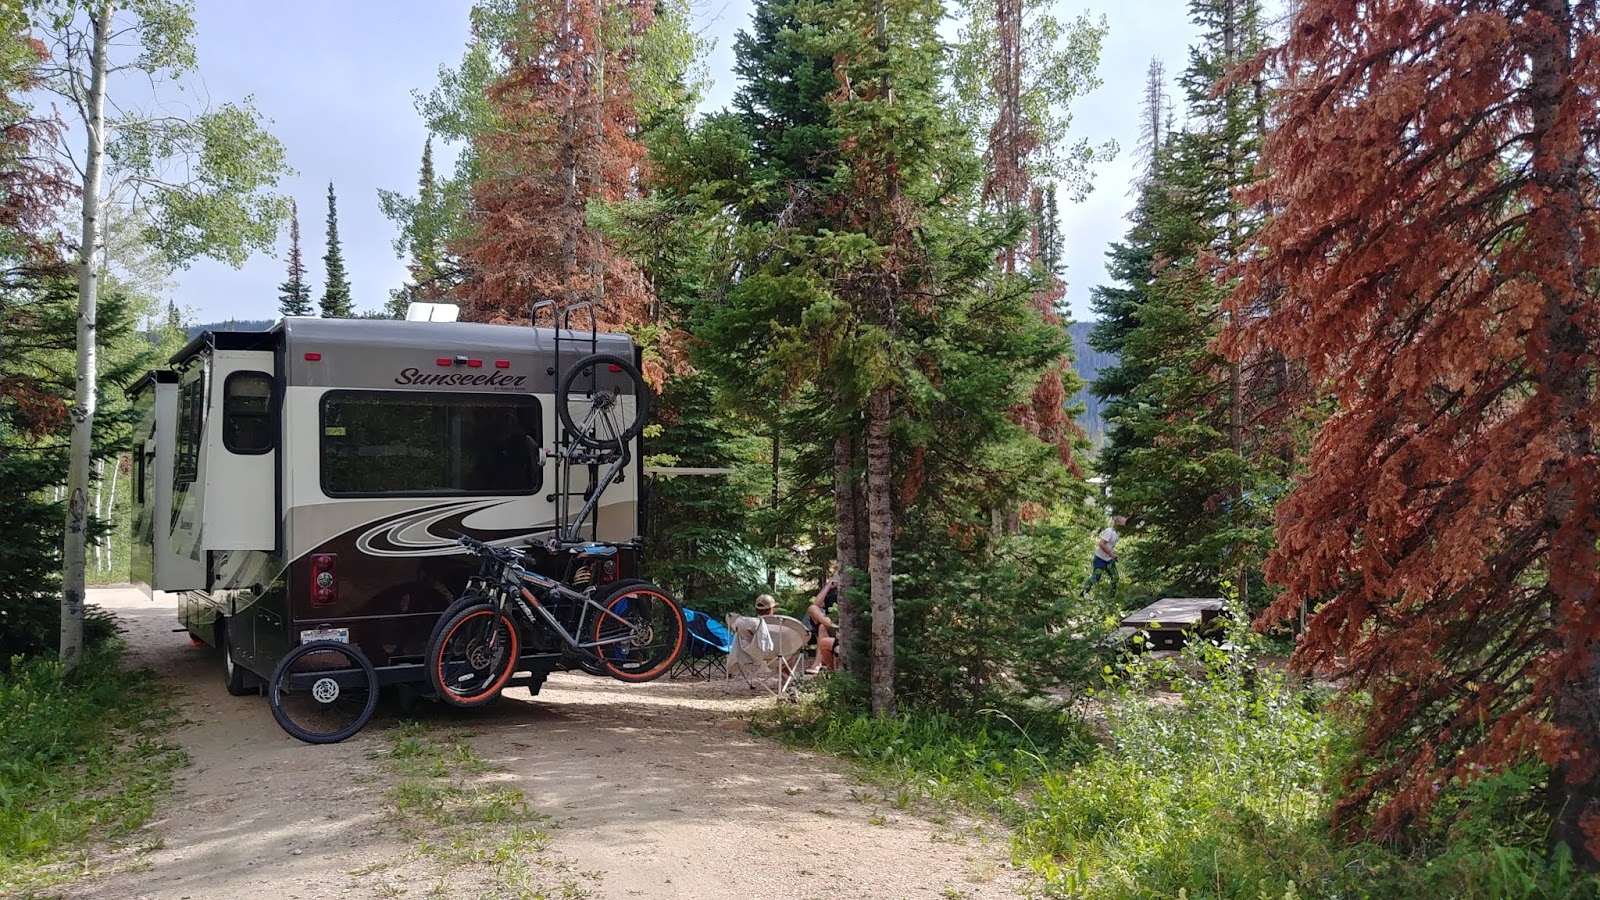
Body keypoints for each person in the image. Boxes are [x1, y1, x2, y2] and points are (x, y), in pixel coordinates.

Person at [1082, 515, 1127, 596]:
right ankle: (1083, 593)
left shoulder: (1117, 533)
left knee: (1115, 577)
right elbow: (1101, 544)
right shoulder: (1109, 531)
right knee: (1096, 578)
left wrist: (1113, 556)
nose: (1124, 527)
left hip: (1109, 560)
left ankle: (1111, 598)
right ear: (1117, 523)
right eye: (1123, 525)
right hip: (1100, 559)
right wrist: (1111, 554)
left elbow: (1110, 546)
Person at [804, 577, 840, 675]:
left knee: (822, 627)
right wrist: (828, 586)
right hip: (831, 622)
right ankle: (832, 625)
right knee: (812, 608)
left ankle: (817, 664)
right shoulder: (832, 591)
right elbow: (817, 604)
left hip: (840, 622)